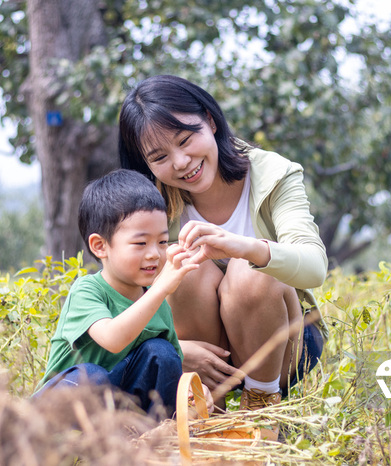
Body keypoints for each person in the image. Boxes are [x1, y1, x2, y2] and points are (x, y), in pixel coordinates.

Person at [118, 75, 328, 411]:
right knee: (183, 265)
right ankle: (206, 412)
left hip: (282, 344)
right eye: (159, 158)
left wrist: (243, 247)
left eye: (186, 140)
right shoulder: (149, 202)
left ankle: (260, 406)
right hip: (196, 356)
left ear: (210, 122)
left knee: (250, 271)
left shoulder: (273, 174)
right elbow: (116, 302)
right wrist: (177, 347)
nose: (181, 162)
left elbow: (315, 268)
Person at [35, 169, 208, 417]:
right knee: (92, 377)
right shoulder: (88, 290)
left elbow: (172, 375)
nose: (154, 254)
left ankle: (148, 442)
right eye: (140, 243)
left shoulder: (157, 303)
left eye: (162, 242)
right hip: (57, 415)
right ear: (100, 246)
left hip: (117, 419)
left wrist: (194, 396)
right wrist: (159, 289)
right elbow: (113, 339)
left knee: (162, 354)